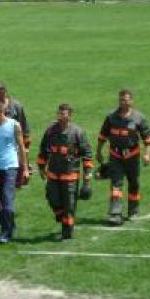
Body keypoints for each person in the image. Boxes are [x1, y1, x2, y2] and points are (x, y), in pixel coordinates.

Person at [96, 89, 150, 226]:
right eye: (121, 100)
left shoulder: (139, 118)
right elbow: (103, 135)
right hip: (115, 155)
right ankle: (115, 214)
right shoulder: (111, 117)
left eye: (125, 100)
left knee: (134, 183)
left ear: (131, 101)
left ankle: (133, 211)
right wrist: (98, 151)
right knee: (116, 184)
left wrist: (147, 154)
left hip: (132, 156)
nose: (123, 102)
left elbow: (148, 137)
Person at [37, 103, 94, 240]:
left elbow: (87, 155)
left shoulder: (78, 132)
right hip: (53, 175)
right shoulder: (50, 131)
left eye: (63, 114)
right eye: (59, 113)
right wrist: (41, 167)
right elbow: (44, 149)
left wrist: (87, 178)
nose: (60, 116)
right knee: (52, 198)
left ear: (69, 116)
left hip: (70, 177)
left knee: (69, 206)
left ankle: (67, 233)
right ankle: (60, 215)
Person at [0, 100, 29, 243]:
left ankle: (6, 233)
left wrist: (25, 168)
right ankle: (8, 226)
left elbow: (21, 147)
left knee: (7, 199)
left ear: (0, 111)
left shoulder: (14, 125)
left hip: (10, 167)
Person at [0, 82, 31, 187]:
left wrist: (25, 159)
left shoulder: (16, 106)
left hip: (13, 155)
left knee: (11, 186)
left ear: (4, 92)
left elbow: (25, 132)